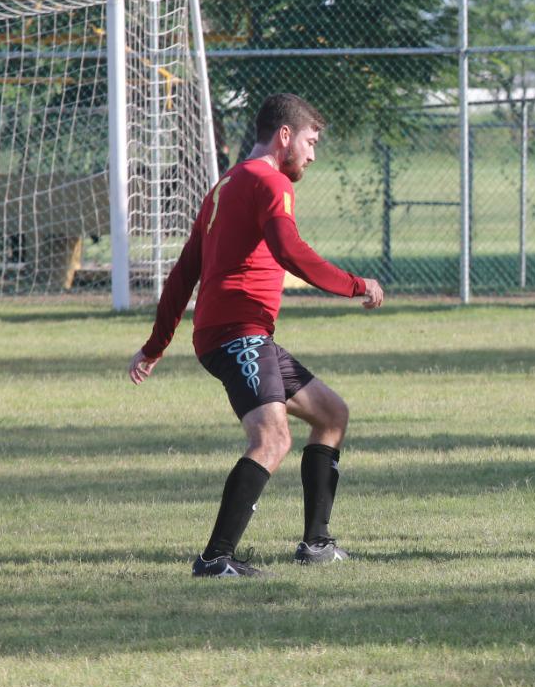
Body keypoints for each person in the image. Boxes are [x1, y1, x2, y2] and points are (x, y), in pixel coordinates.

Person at [129, 93, 384, 577]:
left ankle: (316, 544)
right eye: (310, 142)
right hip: (237, 333)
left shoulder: (225, 185)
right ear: (284, 136)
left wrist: (155, 345)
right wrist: (356, 285)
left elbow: (184, 273)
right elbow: (289, 250)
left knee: (331, 415)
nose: (312, 154)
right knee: (271, 438)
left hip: (242, 334)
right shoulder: (269, 180)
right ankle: (215, 558)